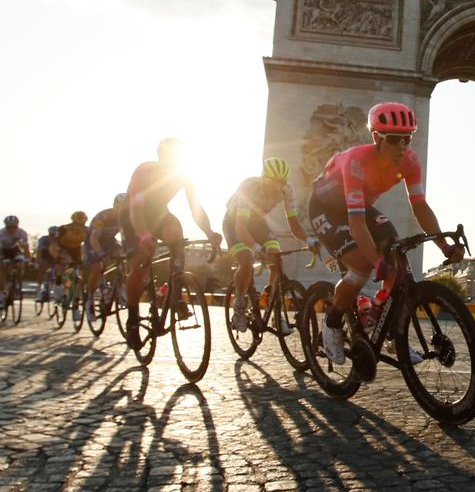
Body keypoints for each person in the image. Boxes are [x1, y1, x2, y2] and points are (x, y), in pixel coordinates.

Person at [308, 101, 464, 378]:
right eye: (394, 139)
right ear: (377, 138)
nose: (402, 146)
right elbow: (356, 225)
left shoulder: (411, 161)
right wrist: (376, 260)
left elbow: (419, 206)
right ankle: (331, 323)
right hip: (326, 208)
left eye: (407, 138)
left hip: (359, 206)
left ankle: (384, 323)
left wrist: (444, 244)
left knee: (395, 252)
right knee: (363, 265)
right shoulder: (356, 161)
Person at [121, 138, 222, 345]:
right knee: (140, 263)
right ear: (161, 157)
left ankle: (175, 290)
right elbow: (137, 211)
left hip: (158, 214)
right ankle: (132, 320)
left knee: (175, 232)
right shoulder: (145, 172)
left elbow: (196, 209)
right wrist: (144, 235)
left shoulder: (184, 176)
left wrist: (209, 231)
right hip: (133, 216)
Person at [223, 157, 318, 333]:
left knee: (276, 258)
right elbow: (241, 227)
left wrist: (308, 240)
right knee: (246, 260)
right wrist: (255, 247)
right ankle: (240, 303)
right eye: (273, 181)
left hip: (257, 223)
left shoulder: (287, 191)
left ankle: (272, 307)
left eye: (281, 182)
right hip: (235, 223)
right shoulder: (249, 188)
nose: (277, 186)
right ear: (263, 177)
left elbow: (294, 224)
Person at [83, 195, 127, 321]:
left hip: (109, 241)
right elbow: (94, 238)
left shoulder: (127, 217)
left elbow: (127, 236)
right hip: (93, 241)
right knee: (97, 268)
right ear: (116, 206)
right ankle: (89, 299)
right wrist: (101, 253)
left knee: (125, 256)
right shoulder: (103, 217)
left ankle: (118, 285)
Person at [0, 216, 32, 306]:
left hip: (15, 250)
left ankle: (17, 283)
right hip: (3, 251)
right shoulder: (1, 233)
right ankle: (2, 292)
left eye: (14, 227)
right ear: (5, 227)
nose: (12, 229)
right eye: (9, 227)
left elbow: (26, 248)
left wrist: (28, 259)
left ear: (17, 226)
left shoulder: (21, 232)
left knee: (20, 263)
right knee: (2, 269)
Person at [34, 226, 61, 301]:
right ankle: (39, 290)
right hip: (45, 255)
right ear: (49, 234)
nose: (52, 238)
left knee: (60, 270)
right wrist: (37, 261)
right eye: (51, 235)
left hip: (56, 255)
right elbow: (39, 251)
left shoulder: (59, 240)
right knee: (42, 268)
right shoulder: (43, 239)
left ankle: (56, 289)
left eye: (55, 236)